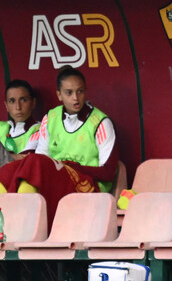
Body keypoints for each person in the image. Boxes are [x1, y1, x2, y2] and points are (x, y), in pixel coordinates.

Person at [0, 67, 118, 228]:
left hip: (90, 186)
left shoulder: (101, 122)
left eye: (80, 91)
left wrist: (69, 166)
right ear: (59, 95)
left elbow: (109, 172)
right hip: (58, 178)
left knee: (34, 164)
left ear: (86, 91)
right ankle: (12, 225)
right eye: (69, 93)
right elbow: (40, 159)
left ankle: (23, 227)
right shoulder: (51, 118)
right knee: (9, 170)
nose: (75, 98)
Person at [0, 79, 40, 165]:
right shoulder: (1, 127)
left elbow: (26, 161)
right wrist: (14, 157)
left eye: (23, 100)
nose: (18, 107)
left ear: (33, 102)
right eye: (12, 101)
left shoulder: (40, 129)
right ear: (6, 106)